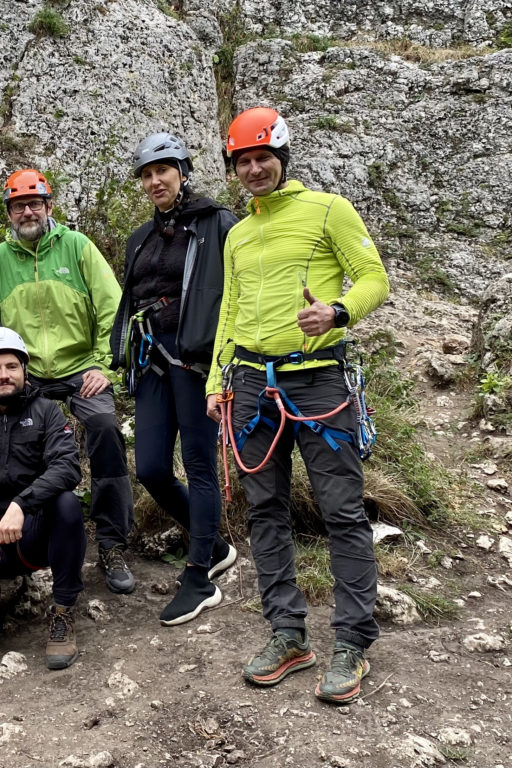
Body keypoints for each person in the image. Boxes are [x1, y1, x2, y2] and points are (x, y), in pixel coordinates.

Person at [205, 107, 389, 703]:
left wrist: (336, 313)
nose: (254, 169)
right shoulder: (237, 232)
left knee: (340, 511)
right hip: (252, 384)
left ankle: (353, 641)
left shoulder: (329, 209)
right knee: (264, 512)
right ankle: (288, 634)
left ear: (283, 158)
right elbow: (229, 312)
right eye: (243, 161)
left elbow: (373, 279)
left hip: (319, 383)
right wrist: (215, 383)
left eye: (263, 158)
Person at [0, 170, 135, 595]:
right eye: (18, 206)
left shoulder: (77, 247)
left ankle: (111, 543)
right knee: (12, 442)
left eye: (34, 203)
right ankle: (26, 540)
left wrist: (104, 366)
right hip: (27, 375)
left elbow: (113, 309)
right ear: (9, 213)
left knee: (104, 428)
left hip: (81, 366)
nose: (26, 211)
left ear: (50, 206)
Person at [109, 133, 239, 626]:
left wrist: (228, 361)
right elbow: (132, 297)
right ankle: (216, 545)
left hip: (198, 363)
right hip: (151, 363)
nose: (155, 180)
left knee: (200, 464)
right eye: (146, 173)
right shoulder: (139, 238)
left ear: (183, 171)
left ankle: (199, 574)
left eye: (163, 170)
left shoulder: (217, 223)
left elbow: (236, 289)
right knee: (152, 470)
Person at [0, 327, 85, 670]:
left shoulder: (46, 411)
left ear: (24, 369)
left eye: (11, 366)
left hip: (32, 531)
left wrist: (22, 504)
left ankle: (63, 614)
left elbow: (67, 466)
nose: (4, 375)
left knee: (67, 503)